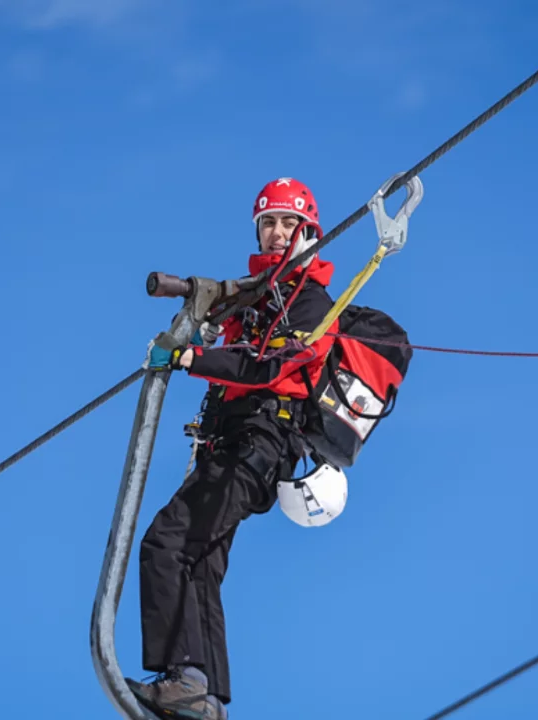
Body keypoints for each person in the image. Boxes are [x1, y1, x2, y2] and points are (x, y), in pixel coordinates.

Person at [130, 177, 339, 719]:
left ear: (308, 231)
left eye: (287, 223)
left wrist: (186, 360)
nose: (274, 233)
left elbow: (265, 366)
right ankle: (205, 699)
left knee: (166, 543)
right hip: (231, 441)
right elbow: (237, 349)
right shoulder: (259, 297)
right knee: (197, 562)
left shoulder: (311, 301)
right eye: (266, 222)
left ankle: (184, 681)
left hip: (260, 443)